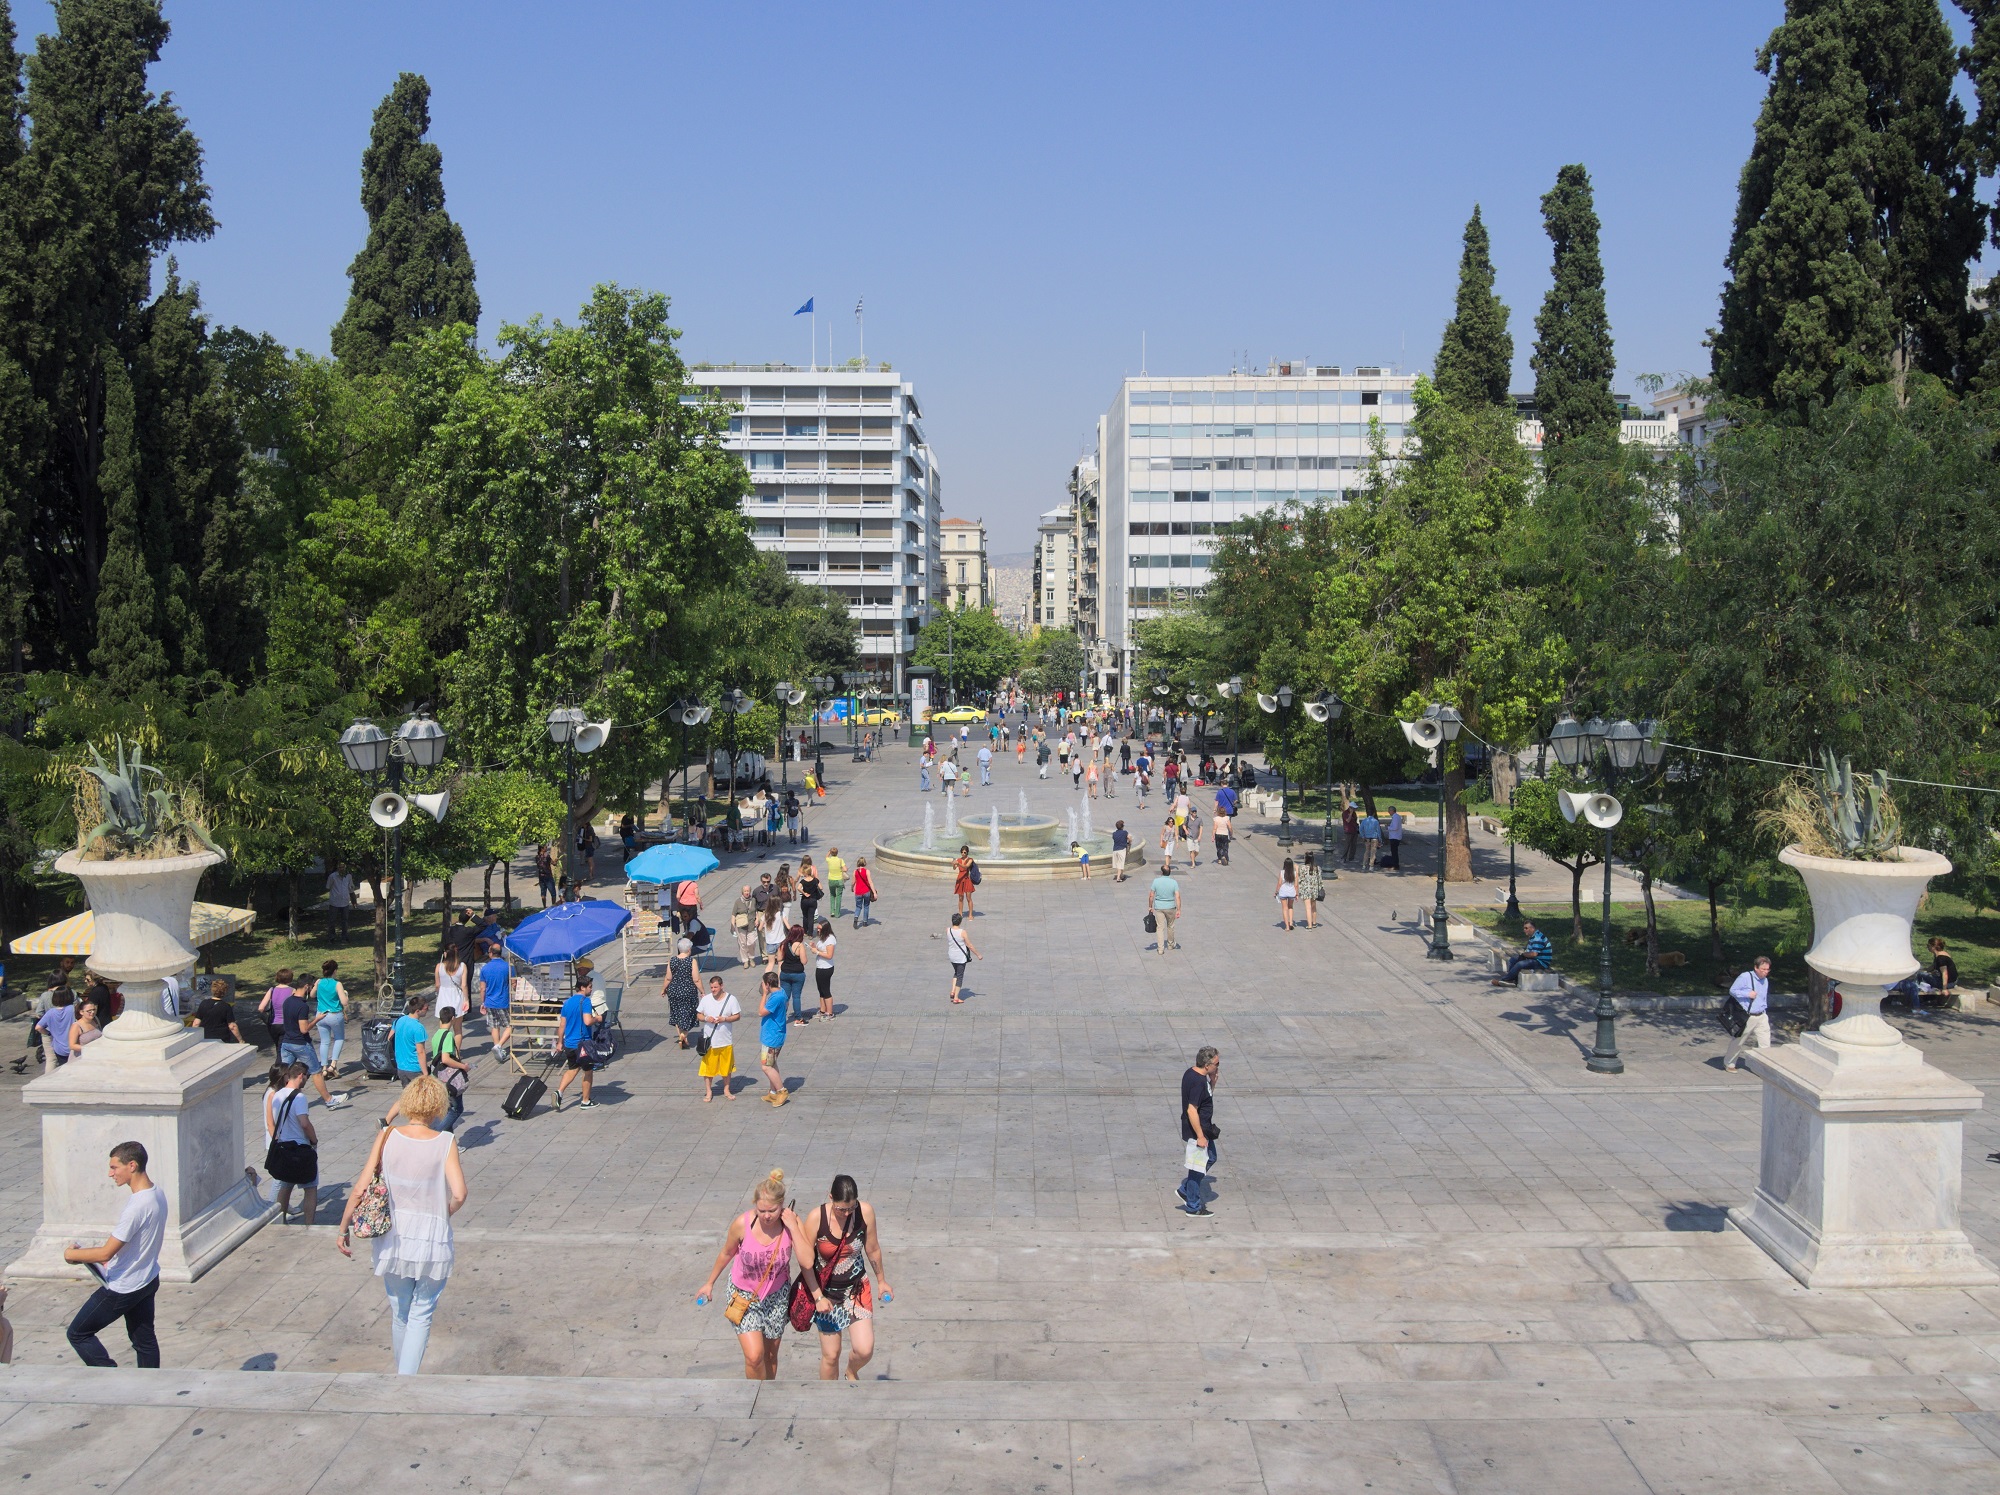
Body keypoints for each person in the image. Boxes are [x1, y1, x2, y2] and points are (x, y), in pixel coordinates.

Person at [337, 1076, 467, 1375]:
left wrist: (344, 1228)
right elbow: (460, 1194)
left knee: (400, 1312)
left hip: (393, 1234)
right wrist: (444, 1212)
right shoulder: (445, 1142)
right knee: (422, 1313)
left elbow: (359, 1188)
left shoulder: (387, 1136)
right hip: (432, 1236)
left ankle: (400, 1379)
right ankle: (406, 1379)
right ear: (438, 1105)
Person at [694, 1170, 827, 1379]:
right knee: (754, 1356)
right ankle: (753, 1392)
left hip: (776, 1297)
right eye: (761, 1210)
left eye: (772, 1210)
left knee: (770, 1356)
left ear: (781, 1205)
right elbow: (727, 1253)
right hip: (744, 1296)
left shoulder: (791, 1222)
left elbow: (808, 1261)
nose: (766, 1216)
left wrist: (793, 1226)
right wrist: (709, 1283)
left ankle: (766, 1393)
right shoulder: (743, 1224)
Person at [63, 1141, 167, 1367]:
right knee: (145, 1341)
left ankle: (110, 1375)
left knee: (78, 1334)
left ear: (132, 1165)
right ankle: (151, 1383)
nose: (110, 1174)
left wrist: (72, 1255)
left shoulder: (137, 1207)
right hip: (147, 1279)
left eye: (114, 1167)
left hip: (124, 1287)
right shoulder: (157, 1194)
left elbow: (105, 1253)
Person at [799, 1175, 893, 1381]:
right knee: (831, 1355)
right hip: (826, 1293)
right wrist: (817, 1297)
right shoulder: (816, 1218)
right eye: (841, 1209)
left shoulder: (865, 1212)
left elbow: (873, 1249)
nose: (847, 1213)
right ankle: (828, 1396)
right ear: (831, 1198)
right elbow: (805, 1262)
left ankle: (851, 1371)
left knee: (864, 1350)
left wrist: (881, 1281)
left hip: (857, 1288)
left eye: (851, 1207)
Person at [264, 1061, 319, 1222]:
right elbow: (304, 1123)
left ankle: (281, 1221)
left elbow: (273, 1121)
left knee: (285, 1186)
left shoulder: (277, 1094)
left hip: (284, 1147)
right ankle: (309, 1224)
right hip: (301, 1148)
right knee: (310, 1188)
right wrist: (314, 1139)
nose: (306, 1080)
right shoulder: (299, 1097)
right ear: (301, 1075)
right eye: (307, 1076)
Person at [278, 976, 337, 1107]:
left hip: (286, 1043)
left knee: (285, 1073)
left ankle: (280, 1099)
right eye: (312, 987)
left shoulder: (287, 1001)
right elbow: (304, 1029)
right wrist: (317, 1019)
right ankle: (329, 1100)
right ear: (306, 986)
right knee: (316, 1072)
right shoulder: (302, 1006)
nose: (312, 990)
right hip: (300, 1044)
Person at [1177, 1047, 1221, 1217]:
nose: (1218, 1066)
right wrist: (1200, 1136)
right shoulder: (1198, 1082)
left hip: (1204, 1129)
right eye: (1216, 1064)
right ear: (1207, 1065)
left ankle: (1185, 1190)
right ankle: (1193, 1206)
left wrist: (1213, 1083)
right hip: (1198, 1131)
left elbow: (1205, 1099)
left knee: (1210, 1158)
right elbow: (1192, 1110)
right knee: (1197, 1168)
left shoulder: (1192, 1074)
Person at [553, 971, 600, 1110]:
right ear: (583, 987)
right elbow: (587, 1021)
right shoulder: (585, 1001)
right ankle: (585, 1101)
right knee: (588, 1071)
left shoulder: (567, 1003)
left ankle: (559, 1092)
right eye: (590, 987)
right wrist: (597, 1018)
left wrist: (560, 1042)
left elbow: (562, 1025)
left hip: (569, 1043)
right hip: (583, 1043)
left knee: (573, 1069)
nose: (591, 990)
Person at [1724, 955, 1773, 1071]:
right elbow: (1732, 990)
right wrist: (1747, 994)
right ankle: (1729, 1063)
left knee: (1765, 1042)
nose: (1766, 972)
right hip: (1747, 1016)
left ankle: (1764, 1067)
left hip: (1762, 1015)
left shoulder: (1765, 980)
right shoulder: (1745, 977)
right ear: (1756, 968)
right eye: (1763, 969)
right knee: (1739, 1041)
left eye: (1768, 969)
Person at [696, 976, 740, 1102]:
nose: (713, 990)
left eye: (715, 987)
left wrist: (725, 1019)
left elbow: (737, 1016)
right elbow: (699, 1014)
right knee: (708, 1069)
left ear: (721, 986)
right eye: (711, 987)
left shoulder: (731, 999)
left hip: (725, 1040)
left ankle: (726, 1090)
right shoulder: (706, 1000)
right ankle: (709, 1091)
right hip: (709, 1041)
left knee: (726, 1069)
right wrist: (706, 1018)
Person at [428, 1011, 471, 1131]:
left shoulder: (436, 1034)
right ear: (452, 1018)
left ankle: (448, 1139)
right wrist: (463, 1066)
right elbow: (445, 1059)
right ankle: (437, 1134)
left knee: (448, 1110)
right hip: (448, 1079)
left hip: (437, 1076)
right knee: (456, 1109)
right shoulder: (448, 1035)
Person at [757, 971, 790, 1105]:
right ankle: (773, 1092)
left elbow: (761, 1012)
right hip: (775, 1034)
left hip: (772, 1036)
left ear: (768, 984)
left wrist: (764, 994)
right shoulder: (781, 992)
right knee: (772, 1063)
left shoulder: (775, 998)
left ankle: (781, 1091)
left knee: (766, 1067)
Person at [312, 961, 349, 1079]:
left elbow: (312, 995)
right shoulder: (337, 984)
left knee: (324, 1041)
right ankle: (332, 1065)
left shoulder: (319, 982)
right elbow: (344, 1002)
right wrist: (345, 994)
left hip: (320, 1014)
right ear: (335, 971)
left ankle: (323, 1067)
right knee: (339, 1038)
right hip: (334, 1014)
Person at [477, 941, 513, 1061]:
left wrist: (482, 1002)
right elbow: (514, 983)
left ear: (491, 953)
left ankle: (498, 1050)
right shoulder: (508, 967)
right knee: (510, 1026)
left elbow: (482, 988)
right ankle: (499, 1046)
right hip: (503, 1001)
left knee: (494, 1027)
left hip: (490, 1002)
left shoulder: (485, 968)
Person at [664, 937, 701, 1048]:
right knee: (690, 1013)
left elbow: (668, 978)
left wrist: (663, 989)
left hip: (674, 991)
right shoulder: (692, 961)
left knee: (677, 1014)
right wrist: (702, 991)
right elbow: (696, 979)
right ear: (689, 949)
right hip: (688, 991)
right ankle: (683, 1035)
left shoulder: (672, 960)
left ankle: (682, 1036)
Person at [1492, 920, 1555, 986]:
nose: (1524, 930)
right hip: (1535, 959)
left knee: (1520, 964)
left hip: (1541, 962)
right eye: (1524, 928)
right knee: (1513, 959)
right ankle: (1513, 980)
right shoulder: (1533, 936)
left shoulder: (1538, 938)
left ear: (1532, 928)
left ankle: (1505, 980)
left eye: (1526, 928)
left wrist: (1523, 955)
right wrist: (1523, 955)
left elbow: (1534, 954)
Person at [432, 946, 469, 1044]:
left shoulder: (439, 966)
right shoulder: (462, 966)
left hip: (443, 997)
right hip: (457, 996)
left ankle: (444, 1049)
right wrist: (466, 1000)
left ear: (445, 954)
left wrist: (437, 993)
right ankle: (457, 1052)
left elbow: (437, 985)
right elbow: (464, 985)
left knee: (443, 1028)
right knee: (458, 1029)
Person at [34, 991, 77, 1073]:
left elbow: (38, 1027)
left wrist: (49, 1033)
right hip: (73, 1046)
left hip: (59, 1048)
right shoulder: (72, 1009)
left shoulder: (50, 1012)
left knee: (62, 1069)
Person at [392, 996, 430, 1085]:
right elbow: (420, 1052)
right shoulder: (418, 1028)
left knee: (407, 1093)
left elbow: (389, 1038)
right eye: (426, 1008)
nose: (427, 1010)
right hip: (414, 1069)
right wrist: (425, 1073)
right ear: (418, 1011)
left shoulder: (399, 1020)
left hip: (401, 1067)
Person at [195, 977, 242, 1042]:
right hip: (221, 1039)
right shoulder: (226, 1006)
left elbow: (196, 1023)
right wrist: (241, 1040)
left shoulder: (203, 1003)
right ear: (225, 992)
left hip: (205, 1038)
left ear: (212, 990)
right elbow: (232, 1026)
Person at [779, 924, 809, 1023]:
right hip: (797, 974)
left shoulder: (783, 943)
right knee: (796, 996)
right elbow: (804, 961)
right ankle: (798, 1018)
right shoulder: (800, 945)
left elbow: (779, 958)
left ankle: (781, 1017)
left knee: (785, 996)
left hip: (785, 973)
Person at [947, 911, 979, 1003]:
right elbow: (969, 945)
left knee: (956, 972)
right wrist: (978, 954)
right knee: (960, 976)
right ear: (960, 922)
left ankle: (952, 991)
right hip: (960, 957)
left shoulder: (948, 930)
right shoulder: (962, 932)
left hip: (951, 956)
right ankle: (956, 998)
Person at [1152, 865, 1182, 954]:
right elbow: (1177, 896)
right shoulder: (1174, 882)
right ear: (1170, 872)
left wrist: (1150, 906)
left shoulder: (1156, 881)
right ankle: (1170, 944)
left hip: (1159, 907)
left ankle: (1160, 949)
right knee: (1170, 925)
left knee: (1160, 927)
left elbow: (1151, 895)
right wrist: (1179, 909)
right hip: (1170, 907)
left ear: (1161, 872)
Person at [811, 919, 838, 1021]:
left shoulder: (830, 939)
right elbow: (821, 949)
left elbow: (829, 955)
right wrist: (814, 947)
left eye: (819, 928)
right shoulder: (823, 937)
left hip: (826, 968)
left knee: (826, 990)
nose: (817, 930)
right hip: (820, 966)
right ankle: (822, 1010)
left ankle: (829, 1013)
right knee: (821, 990)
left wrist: (817, 952)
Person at [327, 862, 356, 938]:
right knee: (332, 920)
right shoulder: (332, 876)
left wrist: (354, 901)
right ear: (337, 868)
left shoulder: (348, 876)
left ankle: (344, 936)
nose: (341, 869)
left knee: (345, 920)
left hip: (345, 902)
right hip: (334, 902)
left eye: (343, 867)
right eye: (340, 867)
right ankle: (331, 936)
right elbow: (328, 887)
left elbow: (351, 889)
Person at [1298, 852, 1324, 930]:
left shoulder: (1302, 868)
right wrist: (1320, 888)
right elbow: (1320, 880)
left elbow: (1300, 879)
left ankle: (1309, 925)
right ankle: (1314, 922)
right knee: (1314, 907)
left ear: (1306, 859)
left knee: (1308, 908)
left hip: (1306, 890)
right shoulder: (1317, 868)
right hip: (1315, 890)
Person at [758, 900, 786, 974]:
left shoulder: (766, 915)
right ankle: (779, 980)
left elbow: (759, 928)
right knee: (780, 963)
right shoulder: (781, 914)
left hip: (770, 942)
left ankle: (766, 979)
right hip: (780, 942)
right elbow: (788, 926)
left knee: (770, 963)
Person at [798, 856, 823, 932]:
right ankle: (810, 933)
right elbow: (821, 887)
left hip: (805, 900)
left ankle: (805, 931)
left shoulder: (803, 881)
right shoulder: (815, 880)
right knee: (811, 917)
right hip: (813, 899)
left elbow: (798, 888)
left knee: (805, 916)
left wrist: (804, 893)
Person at [851, 858, 877, 928]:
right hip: (866, 891)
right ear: (865, 863)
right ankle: (865, 922)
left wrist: (852, 888)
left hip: (858, 892)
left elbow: (853, 882)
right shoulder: (867, 871)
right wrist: (874, 892)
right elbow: (870, 882)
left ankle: (856, 918)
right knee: (866, 906)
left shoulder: (855, 872)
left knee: (858, 906)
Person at [952, 845, 976, 919]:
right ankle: (960, 913)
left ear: (967, 853)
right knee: (960, 898)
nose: (963, 854)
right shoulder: (958, 859)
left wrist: (958, 863)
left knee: (968, 898)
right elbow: (954, 868)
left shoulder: (970, 860)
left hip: (967, 879)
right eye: (962, 852)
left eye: (964, 852)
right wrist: (953, 864)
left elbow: (966, 867)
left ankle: (970, 914)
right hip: (960, 879)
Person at [1275, 858, 1298, 932]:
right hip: (1292, 892)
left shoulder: (1282, 872)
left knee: (1284, 908)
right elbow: (1296, 885)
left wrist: (1276, 891)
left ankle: (1287, 927)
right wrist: (1297, 894)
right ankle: (1291, 923)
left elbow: (1279, 883)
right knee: (1290, 907)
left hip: (1283, 892)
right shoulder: (1294, 873)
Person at [824, 847, 847, 919]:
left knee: (832, 895)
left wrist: (829, 851)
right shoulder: (840, 860)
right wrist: (841, 869)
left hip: (831, 879)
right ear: (837, 853)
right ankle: (837, 913)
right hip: (839, 880)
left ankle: (832, 911)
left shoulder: (829, 860)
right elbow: (845, 869)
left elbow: (826, 856)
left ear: (831, 853)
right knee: (838, 896)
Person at [535, 843, 557, 908]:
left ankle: (544, 906)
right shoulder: (546, 856)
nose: (546, 848)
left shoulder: (537, 857)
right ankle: (553, 906)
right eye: (545, 847)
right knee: (553, 893)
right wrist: (556, 860)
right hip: (548, 876)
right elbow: (554, 863)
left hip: (541, 876)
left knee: (543, 893)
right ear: (542, 848)